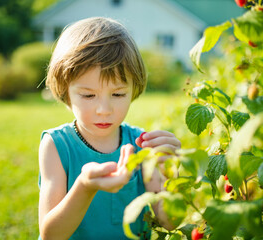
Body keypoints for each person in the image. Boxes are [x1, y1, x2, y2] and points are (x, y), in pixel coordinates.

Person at [38, 17, 181, 240]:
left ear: (134, 88)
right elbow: (51, 235)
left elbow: (170, 223)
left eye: (117, 94)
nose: (104, 109)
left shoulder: (140, 144)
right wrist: (85, 187)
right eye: (88, 95)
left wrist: (168, 178)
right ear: (65, 91)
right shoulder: (57, 145)